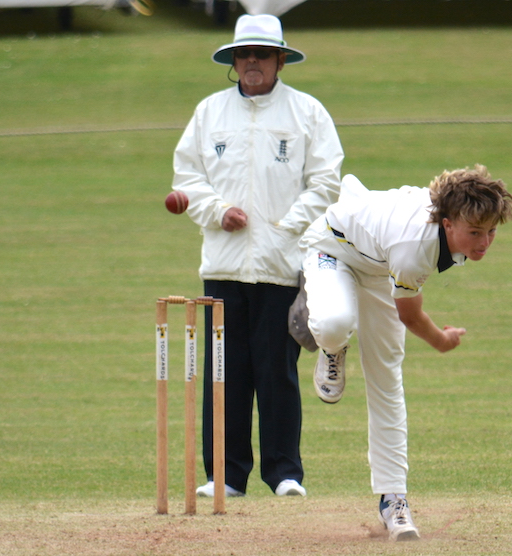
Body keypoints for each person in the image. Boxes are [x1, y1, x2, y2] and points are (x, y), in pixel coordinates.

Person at [171, 14, 344, 498]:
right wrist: (216, 209)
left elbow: (327, 182)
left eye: (262, 55)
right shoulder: (209, 113)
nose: (252, 63)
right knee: (224, 376)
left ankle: (285, 473)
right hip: (223, 266)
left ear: (280, 60)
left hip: (283, 266)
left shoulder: (307, 112)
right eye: (244, 54)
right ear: (233, 61)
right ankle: (224, 477)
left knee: (277, 373)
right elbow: (186, 179)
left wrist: (287, 227)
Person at [300, 165, 512, 540]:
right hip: (333, 248)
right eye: (475, 232)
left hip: (381, 267)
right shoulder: (415, 248)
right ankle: (330, 345)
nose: (484, 242)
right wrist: (441, 341)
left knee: (386, 379)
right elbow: (410, 315)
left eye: (492, 231)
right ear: (447, 224)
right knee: (335, 322)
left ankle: (393, 501)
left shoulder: (437, 228)